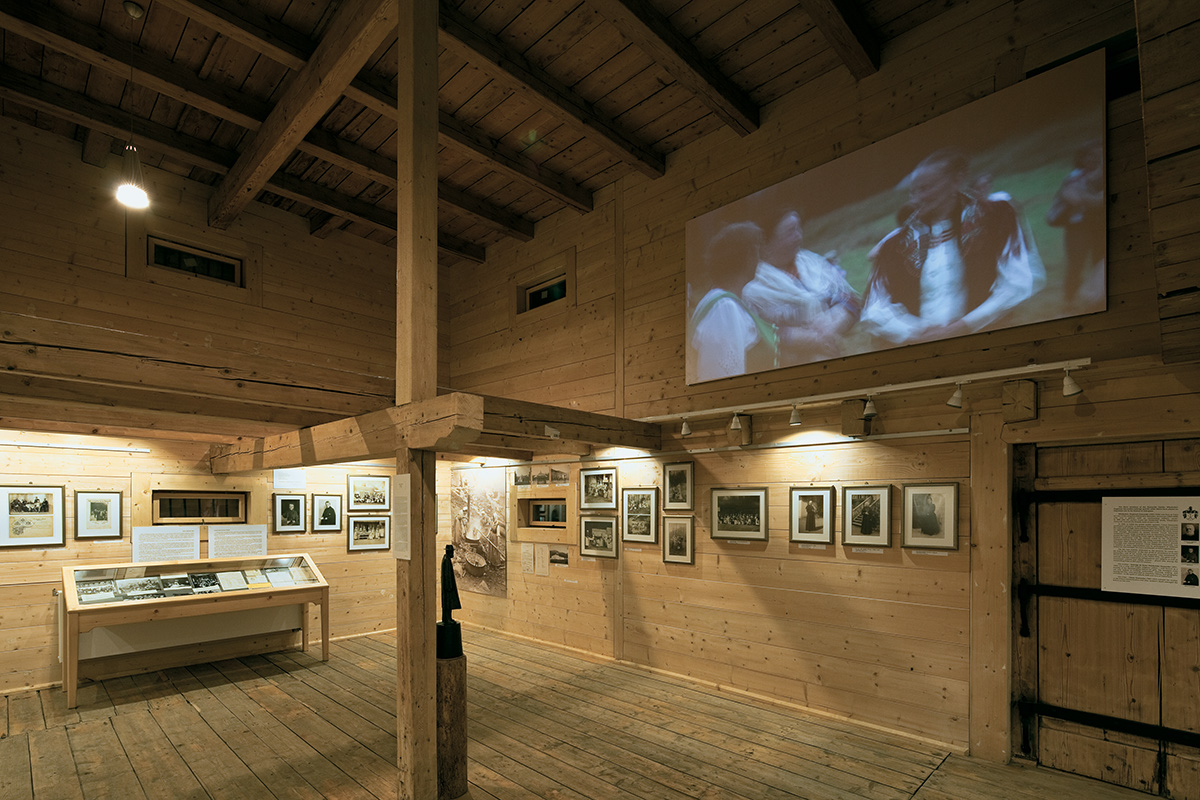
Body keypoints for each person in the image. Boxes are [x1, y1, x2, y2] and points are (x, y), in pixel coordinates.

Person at [861, 148, 1044, 345]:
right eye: (914, 191)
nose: (918, 198)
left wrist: (965, 326)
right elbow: (874, 308)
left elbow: (1020, 280)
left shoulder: (995, 217)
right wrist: (916, 333)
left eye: (926, 188)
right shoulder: (895, 244)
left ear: (956, 180)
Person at [741, 211, 860, 363]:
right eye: (790, 231)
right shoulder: (753, 287)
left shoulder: (811, 262)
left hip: (835, 341)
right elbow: (764, 332)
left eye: (798, 228)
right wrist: (813, 340)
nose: (798, 236)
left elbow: (850, 300)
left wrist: (830, 329)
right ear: (767, 242)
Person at [689, 222, 777, 381]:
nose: (760, 259)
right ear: (748, 258)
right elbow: (723, 380)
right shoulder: (723, 310)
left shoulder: (731, 302)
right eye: (757, 252)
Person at [1047, 139, 1104, 304]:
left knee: (1099, 262)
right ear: (1082, 158)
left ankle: (1096, 300)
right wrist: (1096, 199)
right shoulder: (1074, 177)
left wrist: (1087, 197)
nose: (1094, 159)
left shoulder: (1102, 176)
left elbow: (1085, 199)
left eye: (1098, 155)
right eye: (1090, 155)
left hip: (1099, 226)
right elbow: (1074, 198)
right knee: (1076, 266)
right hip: (1077, 228)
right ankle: (1069, 301)